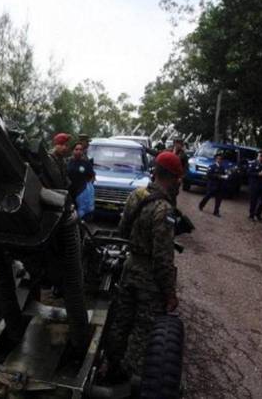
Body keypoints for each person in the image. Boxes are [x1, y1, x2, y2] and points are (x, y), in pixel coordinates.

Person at [104, 151, 183, 379]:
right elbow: (162, 258)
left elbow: (122, 232)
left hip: (130, 266)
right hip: (148, 276)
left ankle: (111, 365)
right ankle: (128, 379)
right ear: (174, 178)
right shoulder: (165, 210)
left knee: (121, 320)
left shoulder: (136, 195)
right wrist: (170, 293)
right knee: (143, 328)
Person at [67, 142, 96, 221]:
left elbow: (92, 176)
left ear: (83, 151)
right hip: (70, 191)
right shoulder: (68, 162)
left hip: (81, 192)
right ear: (73, 150)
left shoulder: (86, 163)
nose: (78, 151)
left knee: (81, 215)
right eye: (76, 149)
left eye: (80, 149)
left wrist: (87, 189)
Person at [198, 152, 227, 217]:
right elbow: (209, 175)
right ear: (216, 159)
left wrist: (225, 177)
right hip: (212, 185)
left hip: (219, 186)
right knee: (207, 196)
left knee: (218, 200)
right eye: (218, 159)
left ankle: (216, 211)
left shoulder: (222, 168)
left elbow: (224, 175)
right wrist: (218, 176)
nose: (219, 160)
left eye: (221, 159)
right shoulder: (212, 167)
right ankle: (201, 205)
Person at [248, 150, 262, 221]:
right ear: (258, 156)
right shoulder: (253, 163)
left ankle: (258, 213)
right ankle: (251, 215)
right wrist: (257, 174)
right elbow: (249, 173)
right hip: (254, 185)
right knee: (253, 200)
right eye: (261, 156)